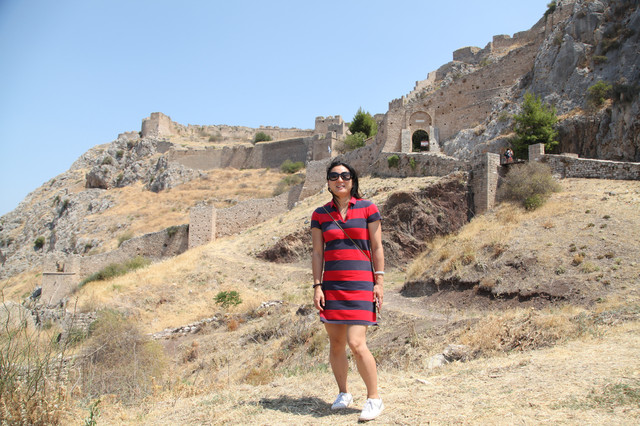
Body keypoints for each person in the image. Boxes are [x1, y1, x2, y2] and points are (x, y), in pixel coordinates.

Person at [310, 160, 385, 421]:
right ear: (328, 182)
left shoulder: (368, 208)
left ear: (353, 180)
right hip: (332, 285)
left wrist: (379, 282)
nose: (339, 180)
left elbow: (377, 247)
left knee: (356, 342)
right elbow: (317, 253)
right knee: (336, 343)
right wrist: (317, 286)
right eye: (334, 176)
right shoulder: (320, 214)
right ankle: (343, 393)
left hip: (361, 284)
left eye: (344, 175)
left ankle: (374, 398)